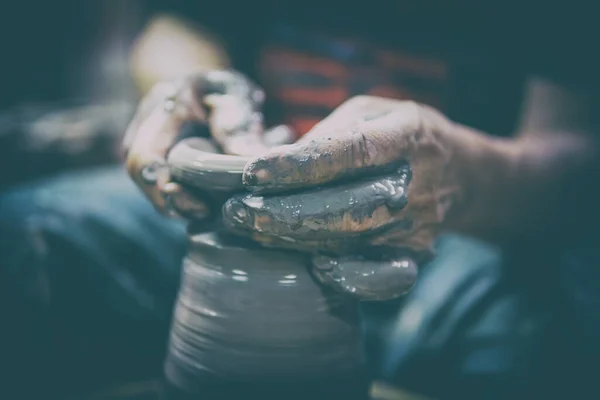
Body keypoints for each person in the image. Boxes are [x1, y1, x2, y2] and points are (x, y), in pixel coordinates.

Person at [2, 1, 599, 399]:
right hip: (236, 196)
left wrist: (460, 175)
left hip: (457, 220)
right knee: (24, 236)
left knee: (550, 339)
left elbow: (576, 163)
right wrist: (206, 95)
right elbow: (179, 29)